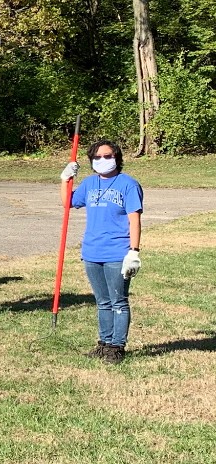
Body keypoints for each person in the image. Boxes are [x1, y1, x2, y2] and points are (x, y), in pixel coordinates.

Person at [61, 140, 142, 364]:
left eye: (107, 156)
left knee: (118, 301)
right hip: (92, 251)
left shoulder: (128, 184)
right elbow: (68, 203)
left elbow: (134, 220)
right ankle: (104, 343)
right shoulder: (89, 183)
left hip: (117, 252)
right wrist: (65, 179)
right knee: (102, 302)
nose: (102, 160)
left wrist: (134, 251)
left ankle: (117, 346)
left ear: (117, 158)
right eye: (97, 157)